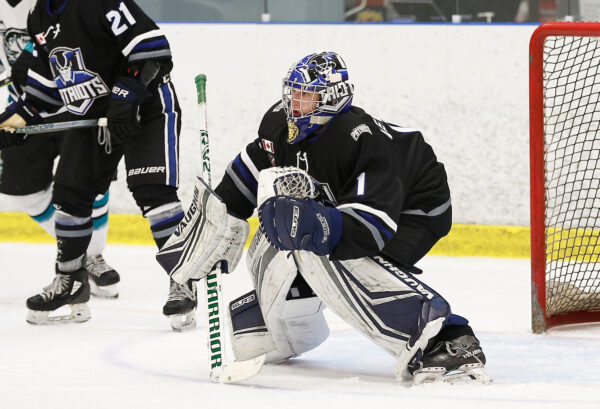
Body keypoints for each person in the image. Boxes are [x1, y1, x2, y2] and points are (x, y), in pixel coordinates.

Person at [181, 51, 491, 383]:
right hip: (352, 205)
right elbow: (249, 172)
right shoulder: (279, 126)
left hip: (414, 208)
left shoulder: (358, 140)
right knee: (279, 229)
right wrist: (215, 224)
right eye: (291, 94)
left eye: (305, 97)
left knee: (327, 248)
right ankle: (281, 328)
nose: (293, 105)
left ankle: (448, 338)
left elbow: (372, 227)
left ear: (331, 100)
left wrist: (319, 224)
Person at [0, 0, 196, 330]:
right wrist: (15, 122)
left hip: (146, 108)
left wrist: (129, 91)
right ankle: (71, 281)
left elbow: (152, 48)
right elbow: (43, 91)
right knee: (71, 196)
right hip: (92, 115)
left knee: (154, 192)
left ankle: (183, 279)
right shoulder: (39, 17)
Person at [0, 0, 121, 299]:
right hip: (22, 110)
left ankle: (92, 257)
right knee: (22, 190)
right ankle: (77, 252)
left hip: (75, 103)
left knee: (89, 180)